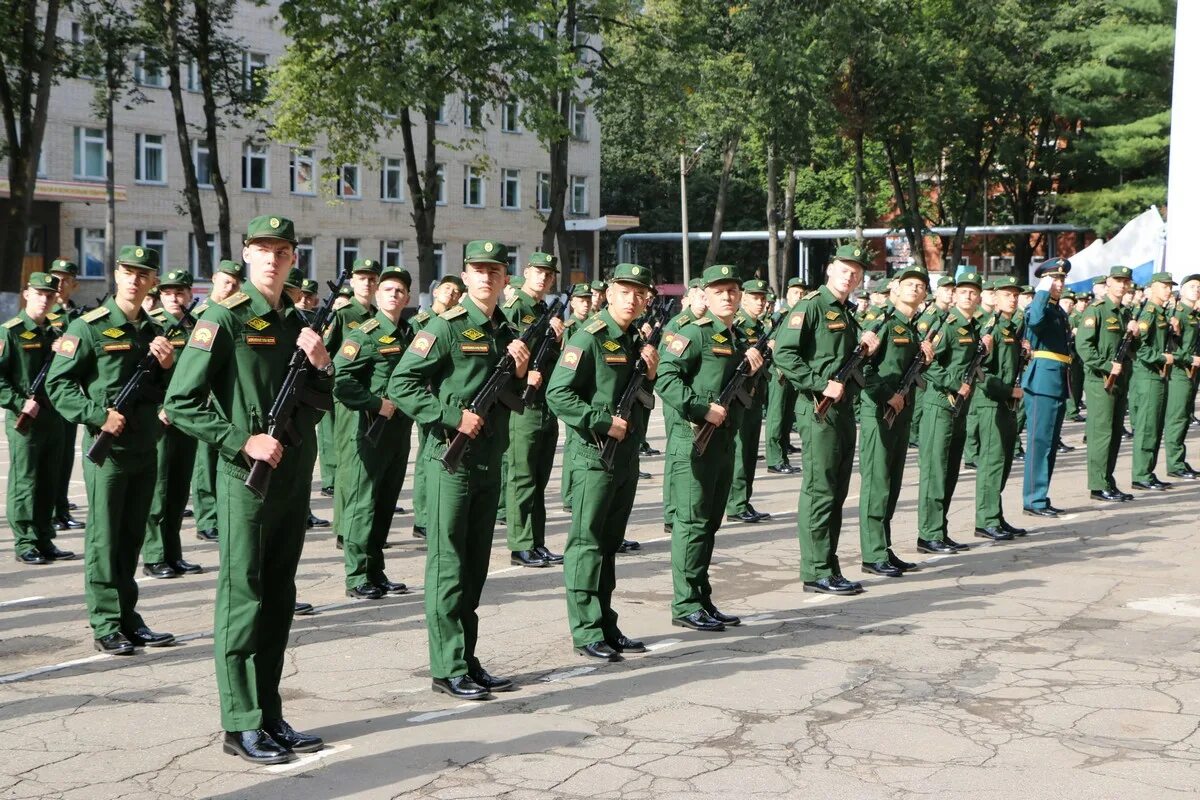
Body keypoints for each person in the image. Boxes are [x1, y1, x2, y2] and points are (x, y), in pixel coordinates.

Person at [165, 215, 332, 764]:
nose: (269, 258)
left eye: (280, 250)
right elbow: (181, 402)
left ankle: (269, 712)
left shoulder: (298, 323)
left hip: (291, 478)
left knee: (280, 598)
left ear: (292, 259)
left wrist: (322, 363)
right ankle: (240, 724)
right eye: (260, 249)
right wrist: (242, 442)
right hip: (246, 481)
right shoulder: (224, 318)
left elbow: (322, 398)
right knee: (244, 599)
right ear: (247, 253)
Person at [388, 239, 530, 701]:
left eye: (495, 270)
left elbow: (517, 400)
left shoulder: (506, 331)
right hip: (451, 461)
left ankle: (466, 657)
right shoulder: (443, 327)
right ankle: (447, 666)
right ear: (464, 277)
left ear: (506, 279)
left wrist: (525, 373)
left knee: (475, 567)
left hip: (490, 460)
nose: (486, 277)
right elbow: (401, 384)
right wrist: (452, 417)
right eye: (477, 270)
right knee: (449, 564)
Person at [46, 245, 176, 655]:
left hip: (144, 447)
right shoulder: (89, 327)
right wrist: (97, 415)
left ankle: (127, 615)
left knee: (131, 536)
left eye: (143, 274)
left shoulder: (155, 333)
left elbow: (162, 392)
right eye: (128, 272)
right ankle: (105, 622)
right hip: (110, 452)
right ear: (116, 275)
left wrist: (168, 369)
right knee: (104, 538)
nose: (135, 280)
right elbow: (58, 384)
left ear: (152, 281)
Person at [547, 262, 658, 661]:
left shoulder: (634, 341)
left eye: (638, 293)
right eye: (624, 291)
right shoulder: (588, 337)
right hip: (594, 455)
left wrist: (651, 372)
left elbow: (639, 396)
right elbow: (558, 394)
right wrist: (600, 421)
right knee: (586, 545)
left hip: (624, 457)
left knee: (609, 546)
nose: (631, 299)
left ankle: (606, 623)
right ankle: (587, 629)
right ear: (608, 294)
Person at [657, 264, 765, 629]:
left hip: (722, 442)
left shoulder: (734, 336)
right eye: (720, 291)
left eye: (733, 290)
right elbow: (666, 378)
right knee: (691, 523)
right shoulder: (693, 332)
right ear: (704, 296)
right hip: (694, 440)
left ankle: (701, 596)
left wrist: (751, 370)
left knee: (710, 523)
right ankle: (686, 604)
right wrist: (701, 408)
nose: (728, 296)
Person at [775, 245, 879, 595]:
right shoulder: (812, 307)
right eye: (844, 269)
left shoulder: (847, 313)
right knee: (820, 490)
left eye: (856, 271)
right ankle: (816, 569)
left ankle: (829, 564)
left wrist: (866, 348)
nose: (850, 276)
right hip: (817, 408)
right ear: (829, 270)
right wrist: (821, 384)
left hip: (842, 409)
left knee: (836, 491)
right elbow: (784, 353)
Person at [333, 265, 414, 599]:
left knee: (384, 502)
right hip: (370, 430)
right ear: (377, 295)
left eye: (400, 291)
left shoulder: (410, 335)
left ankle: (376, 570)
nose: (394, 295)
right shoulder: (363, 334)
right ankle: (356, 576)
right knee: (362, 503)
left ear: (407, 297)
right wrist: (373, 403)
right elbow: (340, 379)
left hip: (399, 431)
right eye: (388, 290)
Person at [857, 265, 930, 576]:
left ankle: (884, 547)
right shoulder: (883, 322)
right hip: (880, 411)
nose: (915, 289)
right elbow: (862, 368)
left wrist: (925, 360)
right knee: (877, 482)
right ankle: (872, 553)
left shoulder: (912, 327)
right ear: (895, 290)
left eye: (920, 286)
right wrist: (886, 395)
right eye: (909, 284)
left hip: (901, 411)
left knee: (893, 481)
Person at [2, 272, 73, 565]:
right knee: (25, 480)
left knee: (48, 480)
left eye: (49, 295)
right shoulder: (11, 331)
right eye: (39, 294)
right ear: (26, 294)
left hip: (53, 416)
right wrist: (20, 403)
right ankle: (25, 541)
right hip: (26, 419)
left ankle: (44, 538)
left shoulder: (56, 333)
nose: (44, 300)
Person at [503, 252, 566, 567]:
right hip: (523, 403)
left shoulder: (544, 310)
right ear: (526, 272)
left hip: (546, 403)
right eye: (538, 272)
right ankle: (521, 544)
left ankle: (536, 541)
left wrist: (559, 337)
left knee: (539, 476)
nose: (543, 278)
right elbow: (504, 352)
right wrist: (525, 376)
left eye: (549, 274)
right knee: (522, 475)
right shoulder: (514, 309)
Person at [141, 269, 204, 579]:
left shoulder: (196, 327)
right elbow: (146, 376)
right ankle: (154, 555)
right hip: (164, 417)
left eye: (180, 292)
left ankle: (173, 553)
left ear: (190, 295)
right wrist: (162, 407)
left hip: (188, 417)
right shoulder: (152, 326)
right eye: (168, 293)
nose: (175, 298)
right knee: (160, 487)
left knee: (179, 489)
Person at [324, 258, 381, 544]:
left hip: (372, 400)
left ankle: (361, 526)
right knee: (349, 465)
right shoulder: (344, 314)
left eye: (372, 279)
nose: (368, 283)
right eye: (362, 278)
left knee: (365, 467)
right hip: (348, 400)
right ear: (353, 282)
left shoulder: (379, 314)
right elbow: (327, 355)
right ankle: (345, 528)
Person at [409, 275, 465, 540]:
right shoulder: (420, 323)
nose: (451, 294)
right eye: (447, 289)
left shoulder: (457, 325)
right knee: (426, 458)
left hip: (445, 400)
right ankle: (423, 516)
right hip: (427, 399)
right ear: (435, 292)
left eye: (456, 292)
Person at [191, 259, 243, 543]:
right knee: (205, 462)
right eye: (226, 281)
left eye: (235, 283)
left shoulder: (236, 315)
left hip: (227, 397)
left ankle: (220, 514)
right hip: (205, 399)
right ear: (213, 279)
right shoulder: (202, 314)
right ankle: (207, 517)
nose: (230, 286)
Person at [1076, 265, 1137, 501]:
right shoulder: (1097, 310)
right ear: (1108, 283)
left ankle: (1108, 481)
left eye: (1126, 281)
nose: (1122, 285)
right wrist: (1105, 365)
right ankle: (1097, 484)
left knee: (1114, 433)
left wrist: (1135, 334)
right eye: (1118, 280)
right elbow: (1084, 346)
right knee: (1101, 433)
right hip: (1100, 380)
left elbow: (1131, 350)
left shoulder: (1125, 313)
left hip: (1120, 379)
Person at [973, 277, 1028, 541]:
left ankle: (995, 514)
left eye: (1015, 295)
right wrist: (1007, 391)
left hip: (1007, 403)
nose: (1013, 299)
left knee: (1004, 462)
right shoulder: (991, 328)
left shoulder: (1010, 328)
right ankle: (986, 519)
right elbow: (981, 372)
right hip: (992, 402)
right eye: (1007, 294)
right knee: (992, 463)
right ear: (994, 298)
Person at [1021, 257, 1073, 516]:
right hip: (1042, 380)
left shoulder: (1058, 310)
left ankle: (1041, 495)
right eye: (1054, 279)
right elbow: (1035, 321)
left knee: (1050, 443)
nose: (1059, 283)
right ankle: (1033, 499)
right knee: (1039, 442)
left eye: (1062, 278)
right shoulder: (1037, 306)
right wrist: (1041, 291)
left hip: (1057, 379)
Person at [659, 278, 707, 533]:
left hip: (696, 400)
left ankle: (684, 507)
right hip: (679, 398)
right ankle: (671, 512)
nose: (703, 300)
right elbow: (668, 366)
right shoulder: (679, 324)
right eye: (699, 295)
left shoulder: (708, 325)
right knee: (677, 455)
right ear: (688, 298)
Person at [725, 278, 772, 523]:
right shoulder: (740, 324)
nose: (760, 302)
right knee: (741, 449)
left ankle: (744, 499)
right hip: (741, 395)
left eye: (763, 298)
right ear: (744, 298)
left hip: (755, 393)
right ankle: (736, 502)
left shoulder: (759, 327)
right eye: (755, 297)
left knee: (751, 450)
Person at [47, 258, 86, 532]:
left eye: (65, 279)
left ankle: (60, 508)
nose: (59, 284)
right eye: (55, 277)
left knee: (64, 459)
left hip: (71, 397)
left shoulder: (78, 318)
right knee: (48, 460)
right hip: (47, 399)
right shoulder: (44, 315)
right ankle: (49, 511)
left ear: (74, 284)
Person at [1129, 271, 1177, 491]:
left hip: (1157, 374)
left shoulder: (1160, 312)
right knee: (1147, 426)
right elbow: (1140, 347)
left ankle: (1147, 471)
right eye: (1164, 286)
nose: (1168, 289)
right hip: (1148, 375)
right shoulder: (1148, 312)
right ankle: (1141, 474)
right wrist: (1160, 358)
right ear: (1154, 287)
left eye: (1170, 286)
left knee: (1155, 426)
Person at [559, 282, 594, 512]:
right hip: (576, 390)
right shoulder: (570, 327)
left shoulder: (593, 324)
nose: (585, 303)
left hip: (591, 390)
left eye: (588, 300)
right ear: (572, 303)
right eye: (581, 300)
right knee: (573, 445)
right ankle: (570, 493)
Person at [765, 276, 806, 473]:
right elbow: (771, 343)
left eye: (802, 292)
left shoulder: (803, 314)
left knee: (788, 415)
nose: (799, 295)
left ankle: (784, 450)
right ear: (788, 294)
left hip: (794, 373)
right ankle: (775, 459)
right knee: (777, 416)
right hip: (780, 373)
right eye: (796, 292)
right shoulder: (780, 315)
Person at [909, 275, 955, 449]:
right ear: (937, 292)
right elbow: (921, 340)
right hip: (925, 369)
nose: (950, 294)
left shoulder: (948, 315)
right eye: (946, 290)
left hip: (936, 365)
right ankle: (915, 436)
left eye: (952, 290)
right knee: (920, 406)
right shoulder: (930, 315)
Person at [1164, 273, 1200, 479]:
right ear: (1183, 290)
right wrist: (1188, 358)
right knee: (1177, 418)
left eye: (1199, 287)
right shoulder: (1176, 315)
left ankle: (1179, 460)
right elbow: (1169, 348)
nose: (1197, 289)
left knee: (1185, 417)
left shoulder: (1193, 315)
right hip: (1179, 371)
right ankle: (1174, 463)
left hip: (1191, 372)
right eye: (1192, 286)